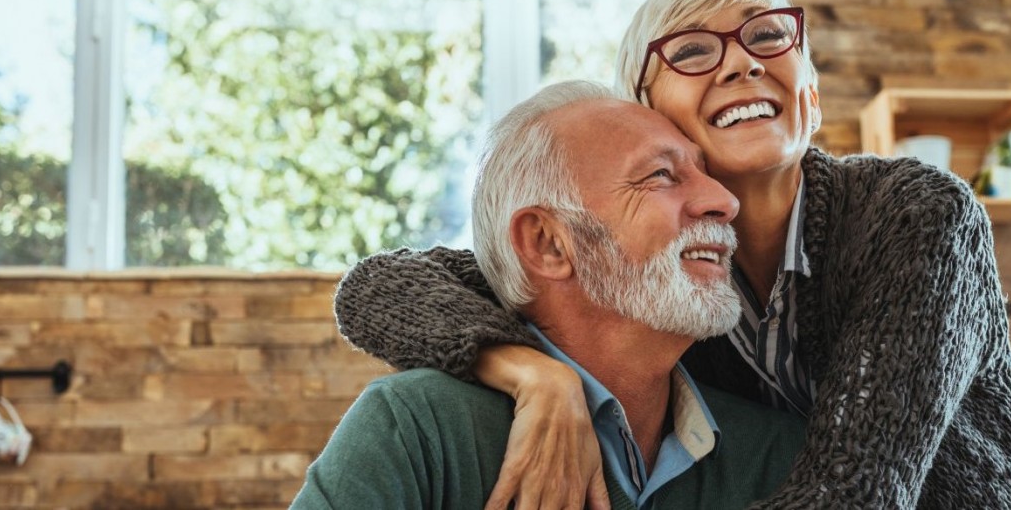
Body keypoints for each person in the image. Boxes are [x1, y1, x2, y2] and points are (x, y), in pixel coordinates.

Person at [332, 0, 1011, 510]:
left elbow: (855, 493)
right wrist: (536, 374)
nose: (739, 61)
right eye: (694, 51)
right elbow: (380, 286)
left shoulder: (916, 214)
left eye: (767, 37)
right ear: (648, 111)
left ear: (811, 97)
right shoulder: (664, 279)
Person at [292, 81, 805, 509]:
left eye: (706, 174)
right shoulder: (418, 430)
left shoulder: (779, 454)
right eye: (661, 176)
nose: (724, 200)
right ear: (548, 243)